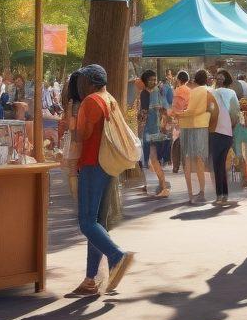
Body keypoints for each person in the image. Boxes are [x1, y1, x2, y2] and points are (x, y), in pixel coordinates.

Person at [69, 64, 135, 298]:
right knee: (96, 223)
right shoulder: (109, 99)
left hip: (91, 163)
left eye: (83, 80)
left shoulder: (90, 101)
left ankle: (117, 255)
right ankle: (90, 280)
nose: (80, 85)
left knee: (87, 223)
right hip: (107, 165)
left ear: (90, 82)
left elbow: (82, 135)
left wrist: (71, 119)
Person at [175, 68, 212, 204]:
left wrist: (178, 114)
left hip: (187, 126)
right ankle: (201, 191)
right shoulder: (207, 91)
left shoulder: (194, 91)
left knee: (188, 160)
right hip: (202, 126)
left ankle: (191, 193)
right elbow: (208, 109)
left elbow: (189, 110)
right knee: (200, 159)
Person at [136, 69, 173, 198]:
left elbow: (144, 113)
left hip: (151, 130)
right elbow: (164, 109)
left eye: (154, 79)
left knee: (153, 158)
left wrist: (139, 121)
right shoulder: (158, 92)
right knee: (153, 159)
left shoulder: (145, 94)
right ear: (145, 81)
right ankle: (161, 185)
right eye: (151, 79)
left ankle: (164, 187)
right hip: (156, 129)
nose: (153, 81)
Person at [210, 69, 241, 207]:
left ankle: (220, 195)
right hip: (228, 133)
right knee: (221, 164)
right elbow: (235, 114)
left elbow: (209, 112)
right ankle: (224, 195)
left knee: (218, 165)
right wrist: (231, 127)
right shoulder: (232, 93)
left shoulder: (213, 93)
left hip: (216, 132)